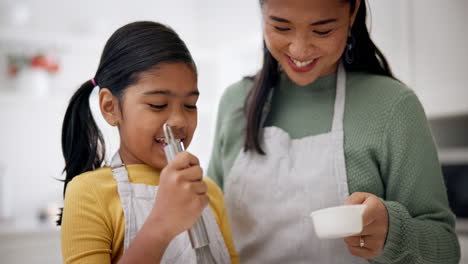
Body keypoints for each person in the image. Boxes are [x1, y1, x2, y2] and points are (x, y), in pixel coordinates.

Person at [207, 0, 460, 263]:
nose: (300, 48)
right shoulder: (235, 102)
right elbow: (209, 225)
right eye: (281, 27)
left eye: (322, 31)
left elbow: (446, 249)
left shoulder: (393, 106)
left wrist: (392, 233)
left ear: (352, 12)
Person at [59, 21, 238, 264]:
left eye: (190, 105)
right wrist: (161, 225)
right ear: (110, 108)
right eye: (158, 105)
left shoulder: (209, 192)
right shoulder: (88, 193)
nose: (178, 121)